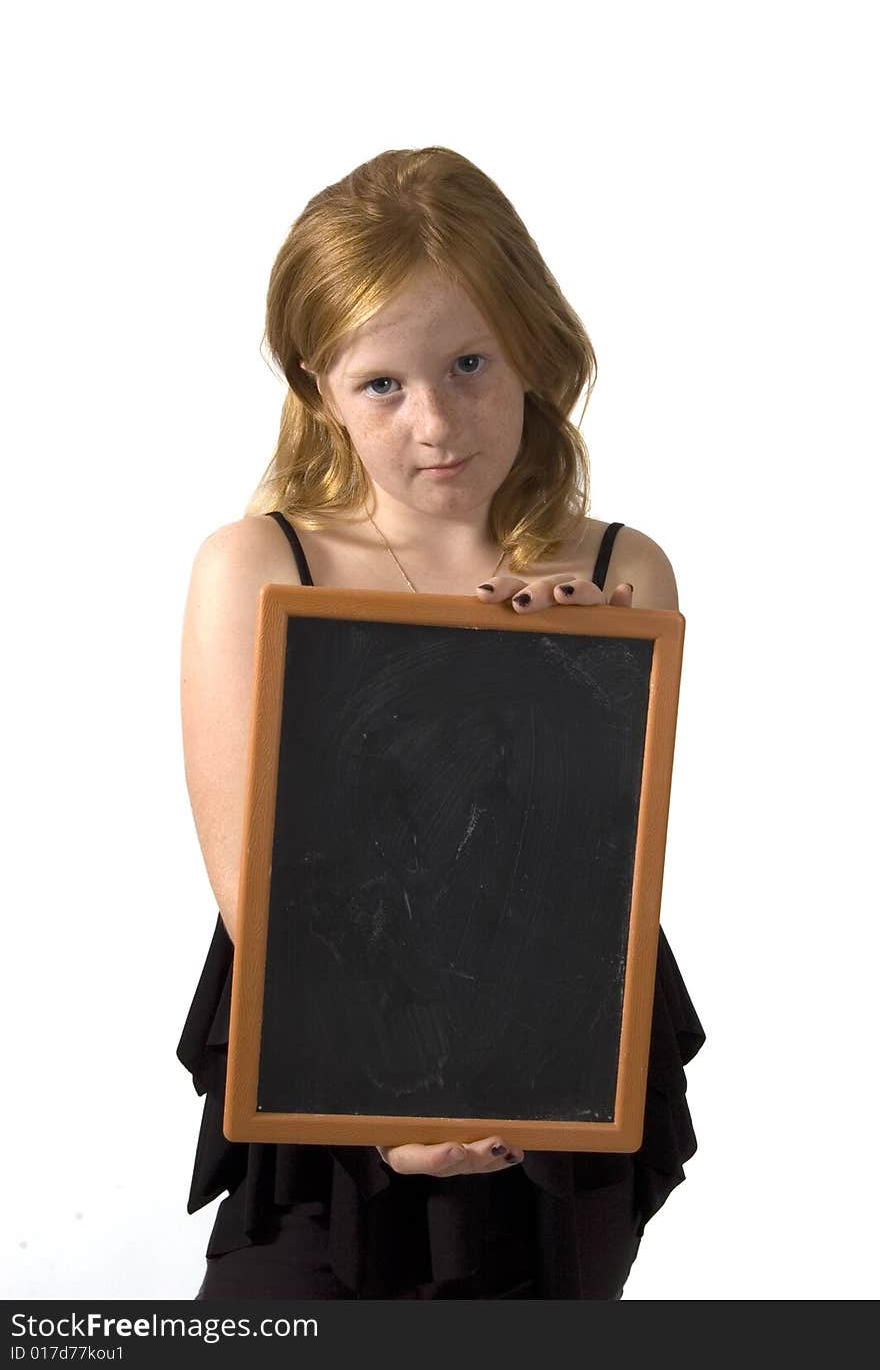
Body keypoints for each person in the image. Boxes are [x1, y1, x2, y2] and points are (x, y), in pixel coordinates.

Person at [177, 145, 706, 1300]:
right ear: (320, 387)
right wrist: (379, 1112)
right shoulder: (260, 565)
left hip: (555, 1078)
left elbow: (595, 881)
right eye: (384, 384)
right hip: (322, 1074)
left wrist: (567, 683)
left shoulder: (621, 570)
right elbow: (253, 889)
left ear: (528, 345)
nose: (437, 420)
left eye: (469, 362)